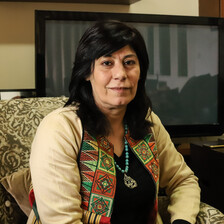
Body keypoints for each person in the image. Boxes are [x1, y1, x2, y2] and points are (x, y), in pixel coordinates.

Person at [29, 20, 200, 224]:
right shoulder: (60, 128)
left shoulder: (148, 121)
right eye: (107, 63)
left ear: (140, 71)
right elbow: (62, 220)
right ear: (86, 72)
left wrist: (182, 220)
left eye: (129, 62)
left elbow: (183, 180)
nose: (120, 74)